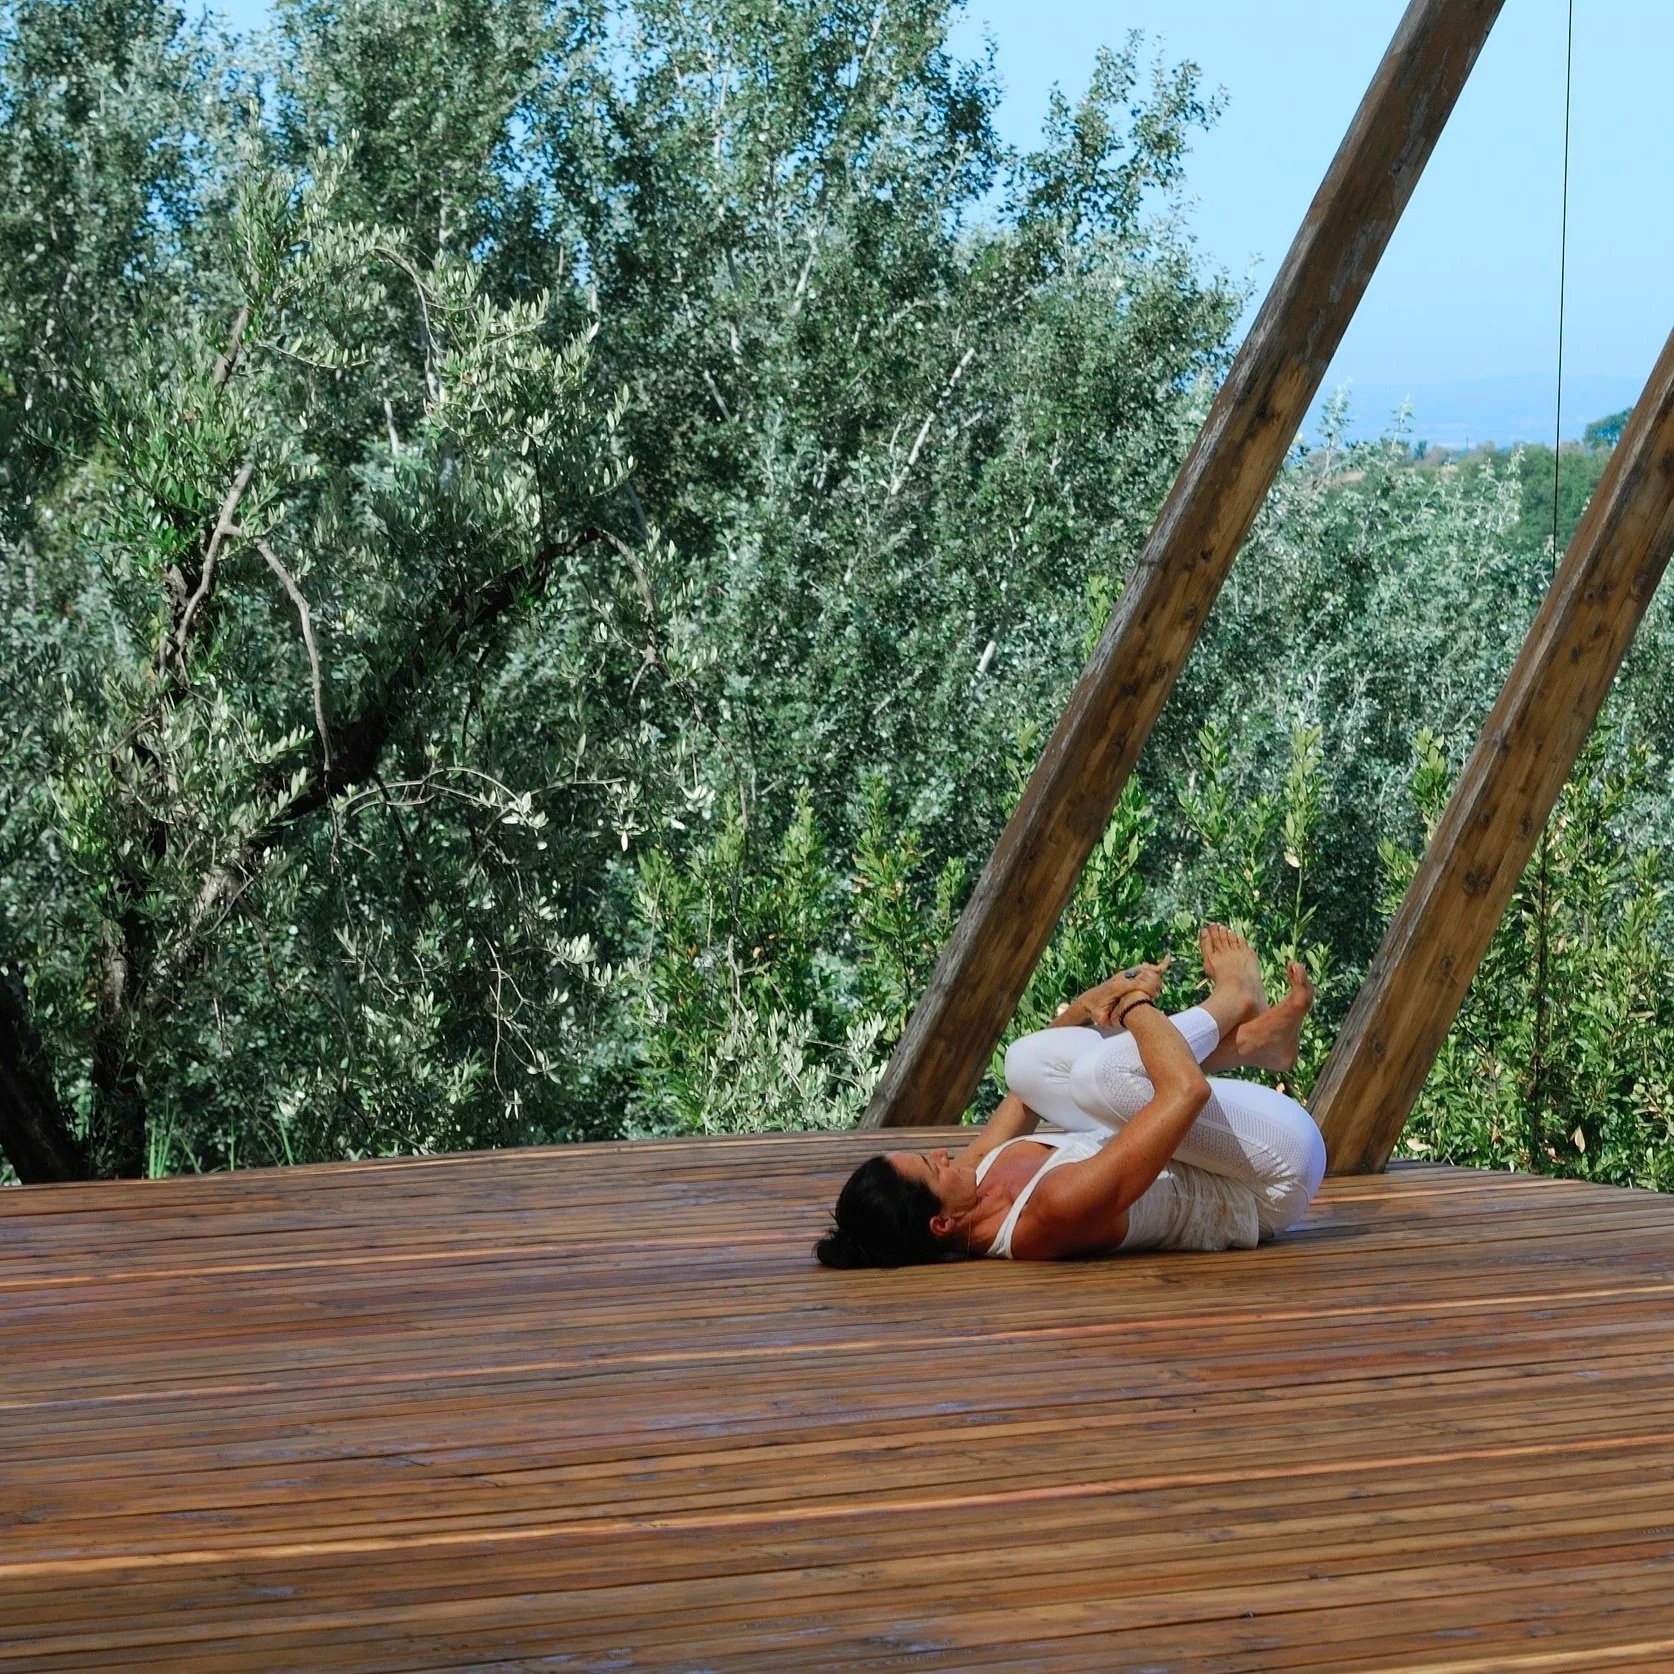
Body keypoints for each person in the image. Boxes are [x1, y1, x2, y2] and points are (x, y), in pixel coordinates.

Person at [815, 925, 1325, 1266]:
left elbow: (1029, 1086)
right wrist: (1133, 1006)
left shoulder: (970, 1181)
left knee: (1024, 1063)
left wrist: (1089, 1003)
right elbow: (1185, 1092)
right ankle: (1235, 996)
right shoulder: (1050, 1212)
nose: (945, 1154)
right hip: (1270, 1176)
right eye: (933, 1167)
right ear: (942, 1223)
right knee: (1107, 1074)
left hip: (1213, 1146)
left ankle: (1257, 1043)